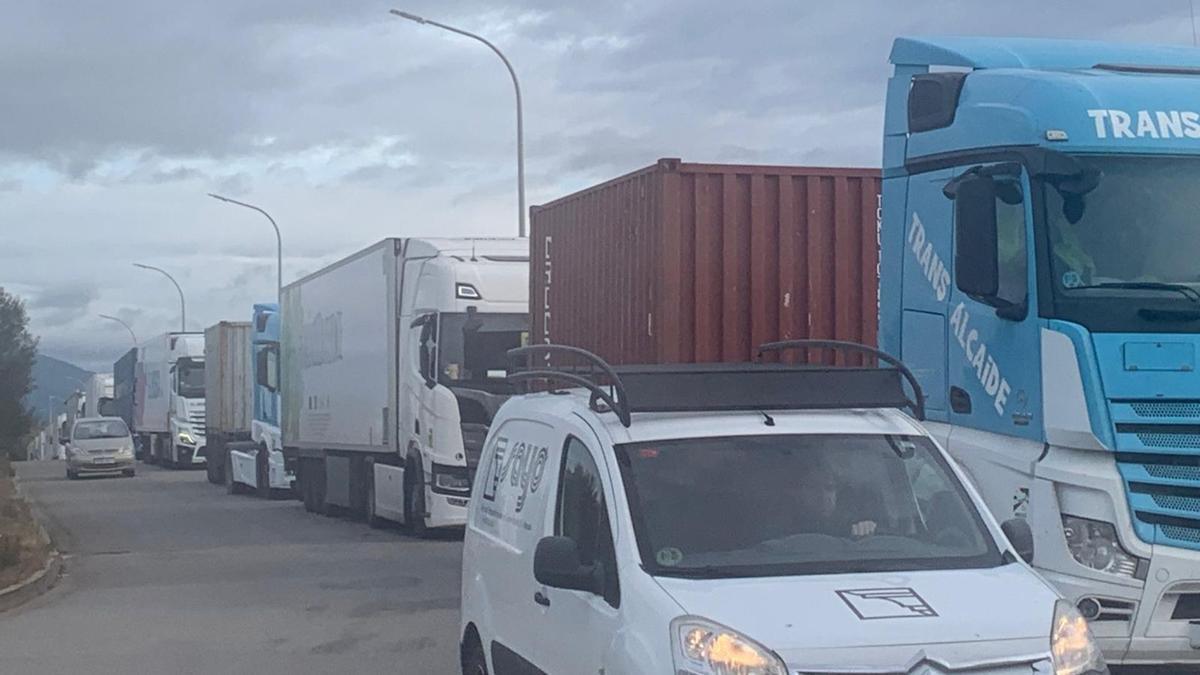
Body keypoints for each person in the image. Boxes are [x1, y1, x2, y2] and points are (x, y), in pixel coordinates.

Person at [797, 459, 878, 537]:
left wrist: (866, 531)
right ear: (801, 492)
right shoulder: (788, 528)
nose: (823, 496)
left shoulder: (851, 524)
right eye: (813, 488)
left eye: (829, 488)